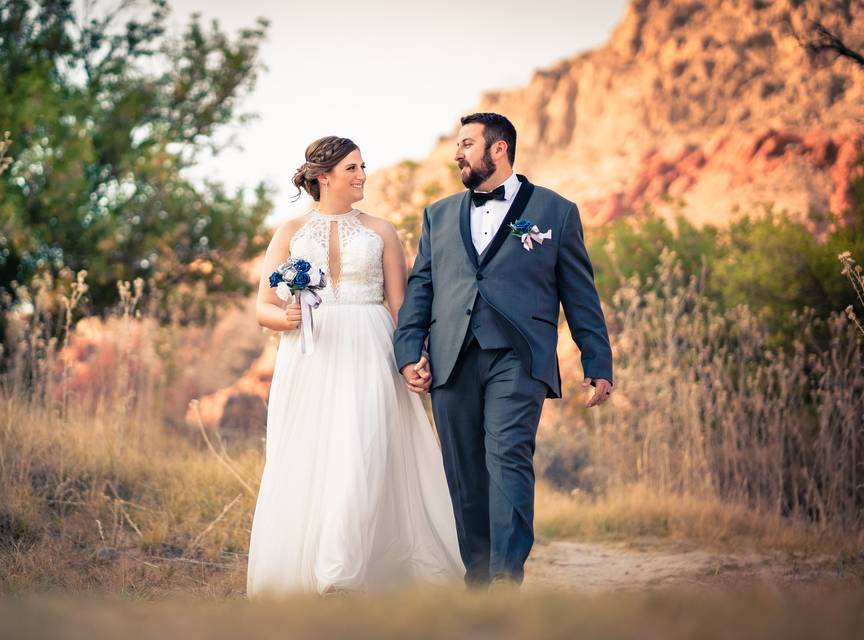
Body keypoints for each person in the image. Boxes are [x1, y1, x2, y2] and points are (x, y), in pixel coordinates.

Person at [394, 112, 613, 590]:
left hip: (520, 355)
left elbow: (580, 294)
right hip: (451, 355)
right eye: (457, 144)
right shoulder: (438, 215)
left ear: (499, 149)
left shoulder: (556, 212)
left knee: (507, 456)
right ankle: (477, 580)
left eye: (467, 143)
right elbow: (421, 288)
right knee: (464, 470)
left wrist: (597, 362)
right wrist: (410, 351)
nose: (457, 153)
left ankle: (506, 577)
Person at [246, 136, 464, 597]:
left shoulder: (382, 231)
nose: (363, 175)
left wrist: (413, 356)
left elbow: (402, 308)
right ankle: (323, 571)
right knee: (316, 453)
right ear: (323, 177)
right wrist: (284, 318)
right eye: (352, 168)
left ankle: (342, 571)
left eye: (363, 166)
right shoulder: (289, 232)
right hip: (311, 357)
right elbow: (264, 305)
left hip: (371, 350)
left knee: (364, 448)